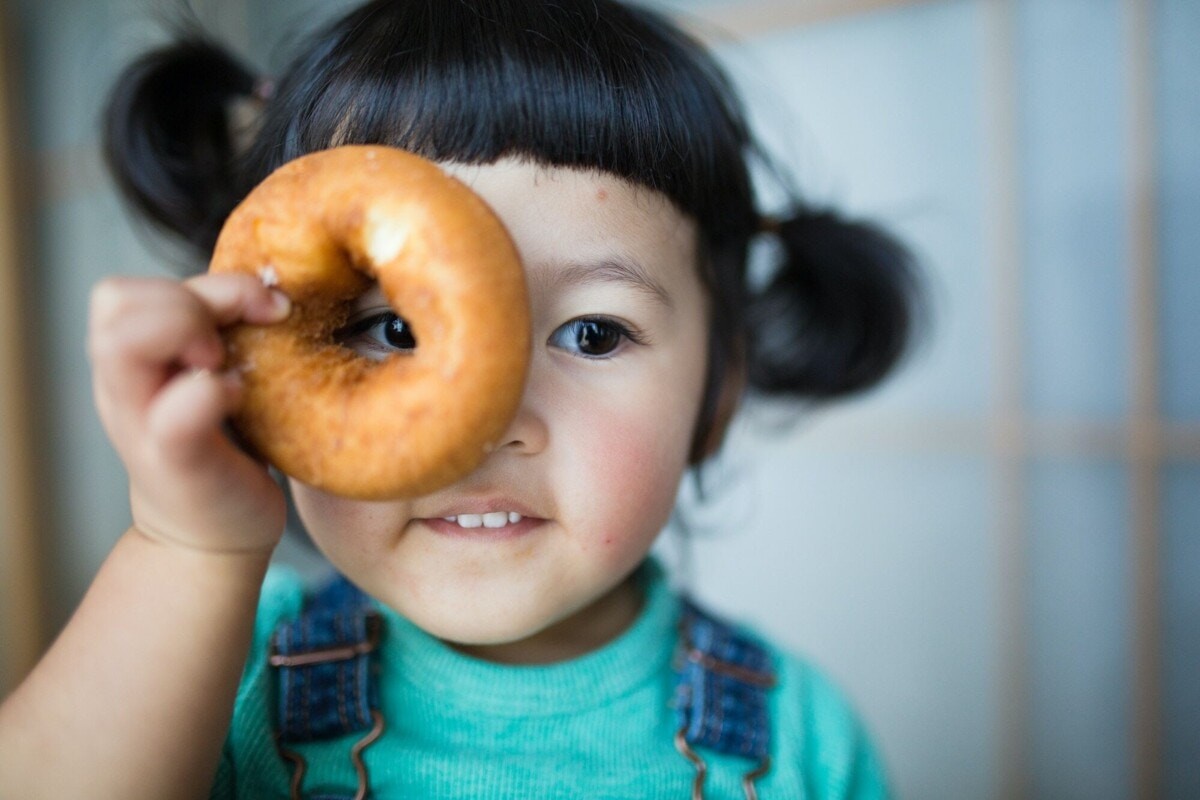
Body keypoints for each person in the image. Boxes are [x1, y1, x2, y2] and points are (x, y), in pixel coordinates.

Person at [0, 1, 921, 797]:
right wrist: (189, 545)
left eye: (592, 333)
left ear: (715, 393)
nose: (486, 424)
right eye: (391, 329)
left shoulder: (800, 741)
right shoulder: (210, 669)